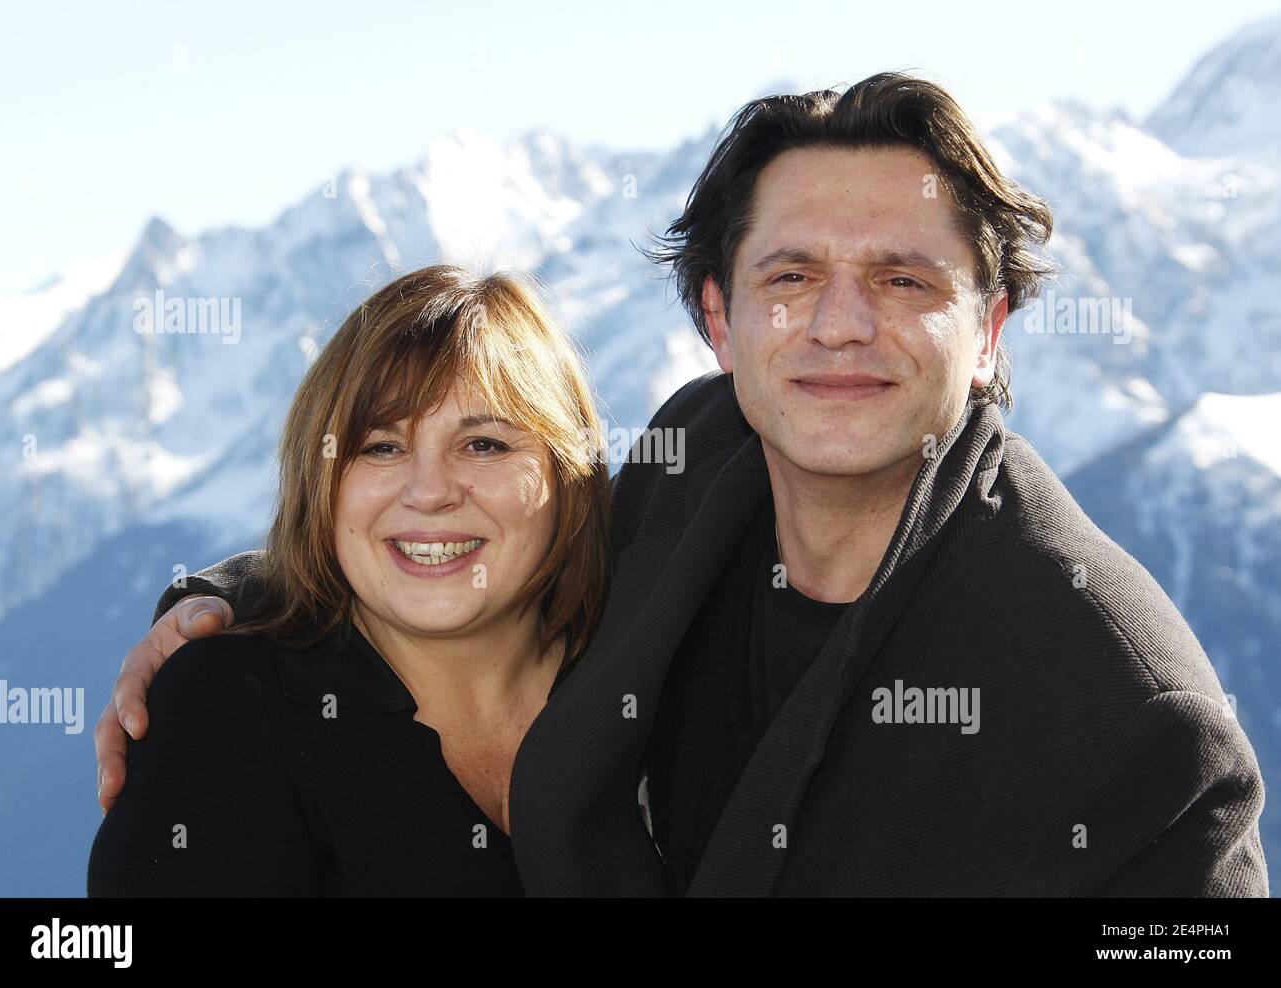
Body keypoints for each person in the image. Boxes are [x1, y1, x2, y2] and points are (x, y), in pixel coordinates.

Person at [95, 73, 1269, 896]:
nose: (841, 325)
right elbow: (482, 529)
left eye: (906, 279)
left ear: (992, 326)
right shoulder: (695, 467)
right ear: (717, 318)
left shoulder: (1128, 719)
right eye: (792, 275)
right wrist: (231, 600)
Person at [88, 264, 611, 895]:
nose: (430, 492)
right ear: (322, 486)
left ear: (569, 474)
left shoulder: (652, 669)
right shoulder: (226, 711)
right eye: (381, 448)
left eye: (485, 445)